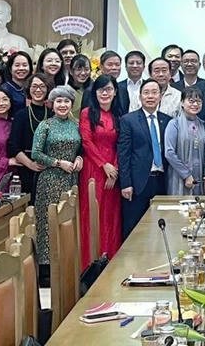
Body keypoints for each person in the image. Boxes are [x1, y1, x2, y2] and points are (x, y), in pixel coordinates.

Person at [33, 86, 83, 269]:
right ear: (52, 104)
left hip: (71, 180)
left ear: (71, 104)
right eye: (59, 101)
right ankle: (47, 268)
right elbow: (36, 153)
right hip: (50, 180)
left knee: (68, 221)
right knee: (49, 221)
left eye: (66, 101)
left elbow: (82, 148)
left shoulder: (77, 125)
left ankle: (68, 265)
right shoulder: (45, 125)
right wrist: (58, 162)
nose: (63, 105)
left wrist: (80, 158)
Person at [118, 79, 170, 238]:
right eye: (146, 93)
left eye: (154, 92)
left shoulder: (167, 120)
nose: (150, 96)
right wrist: (126, 183)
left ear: (160, 96)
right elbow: (124, 154)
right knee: (134, 229)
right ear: (140, 96)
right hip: (138, 183)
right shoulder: (128, 120)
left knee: (160, 228)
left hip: (162, 181)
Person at [79, 75, 121, 259]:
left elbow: (121, 144)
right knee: (93, 213)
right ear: (95, 92)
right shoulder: (87, 113)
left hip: (113, 171)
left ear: (115, 92)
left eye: (109, 89)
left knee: (111, 215)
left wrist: (114, 169)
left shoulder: (118, 115)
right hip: (93, 169)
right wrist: (104, 165)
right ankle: (91, 261)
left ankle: (110, 257)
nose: (105, 93)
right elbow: (87, 142)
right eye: (101, 89)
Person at [7, 72, 51, 198]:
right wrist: (31, 164)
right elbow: (13, 146)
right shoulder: (21, 115)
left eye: (42, 86)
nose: (38, 90)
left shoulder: (52, 114)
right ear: (28, 89)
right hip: (26, 169)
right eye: (34, 86)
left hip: (49, 169)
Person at [165, 86, 205, 197]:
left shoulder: (203, 125)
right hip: (179, 175)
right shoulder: (174, 124)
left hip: (199, 176)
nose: (195, 104)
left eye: (198, 101)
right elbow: (169, 153)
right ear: (182, 103)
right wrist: (186, 174)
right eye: (191, 101)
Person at [1, 51, 34, 115]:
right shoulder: (4, 89)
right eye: (17, 65)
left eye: (24, 65)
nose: (21, 68)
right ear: (10, 69)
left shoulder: (33, 87)